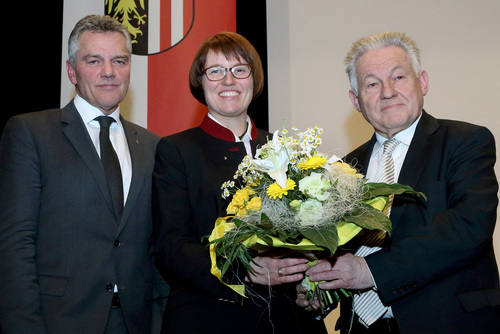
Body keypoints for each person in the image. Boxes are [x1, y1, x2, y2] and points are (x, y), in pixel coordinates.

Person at [297, 32, 500, 334]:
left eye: (399, 77)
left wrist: (371, 271)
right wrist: (320, 292)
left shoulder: (465, 141)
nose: (388, 92)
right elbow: (340, 254)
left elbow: (469, 225)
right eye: (372, 84)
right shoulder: (341, 170)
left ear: (423, 82)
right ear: (356, 100)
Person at [0, 15, 168, 334]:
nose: (109, 71)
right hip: (58, 321)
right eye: (94, 60)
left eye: (119, 60)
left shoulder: (153, 145)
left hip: (138, 322)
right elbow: (15, 245)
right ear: (71, 70)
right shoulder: (30, 133)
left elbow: (157, 247)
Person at [152, 32, 327, 334]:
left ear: (253, 79)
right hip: (210, 316)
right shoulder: (177, 150)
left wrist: (311, 280)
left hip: (286, 318)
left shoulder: (286, 149)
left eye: (239, 69)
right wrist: (245, 269)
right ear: (201, 81)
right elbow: (171, 247)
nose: (228, 80)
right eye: (216, 71)